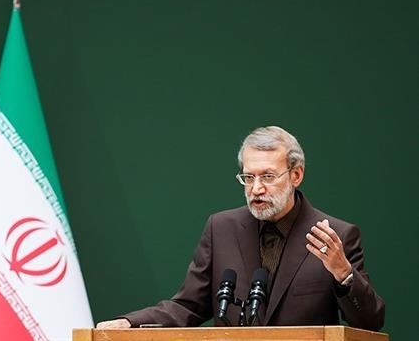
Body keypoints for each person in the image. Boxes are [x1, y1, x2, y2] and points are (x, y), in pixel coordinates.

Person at [96, 126, 385, 331]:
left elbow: (370, 322)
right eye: (248, 177)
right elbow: (188, 306)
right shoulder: (221, 228)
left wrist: (344, 274)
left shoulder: (335, 235)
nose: (256, 188)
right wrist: (130, 322)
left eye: (268, 176)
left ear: (296, 175)